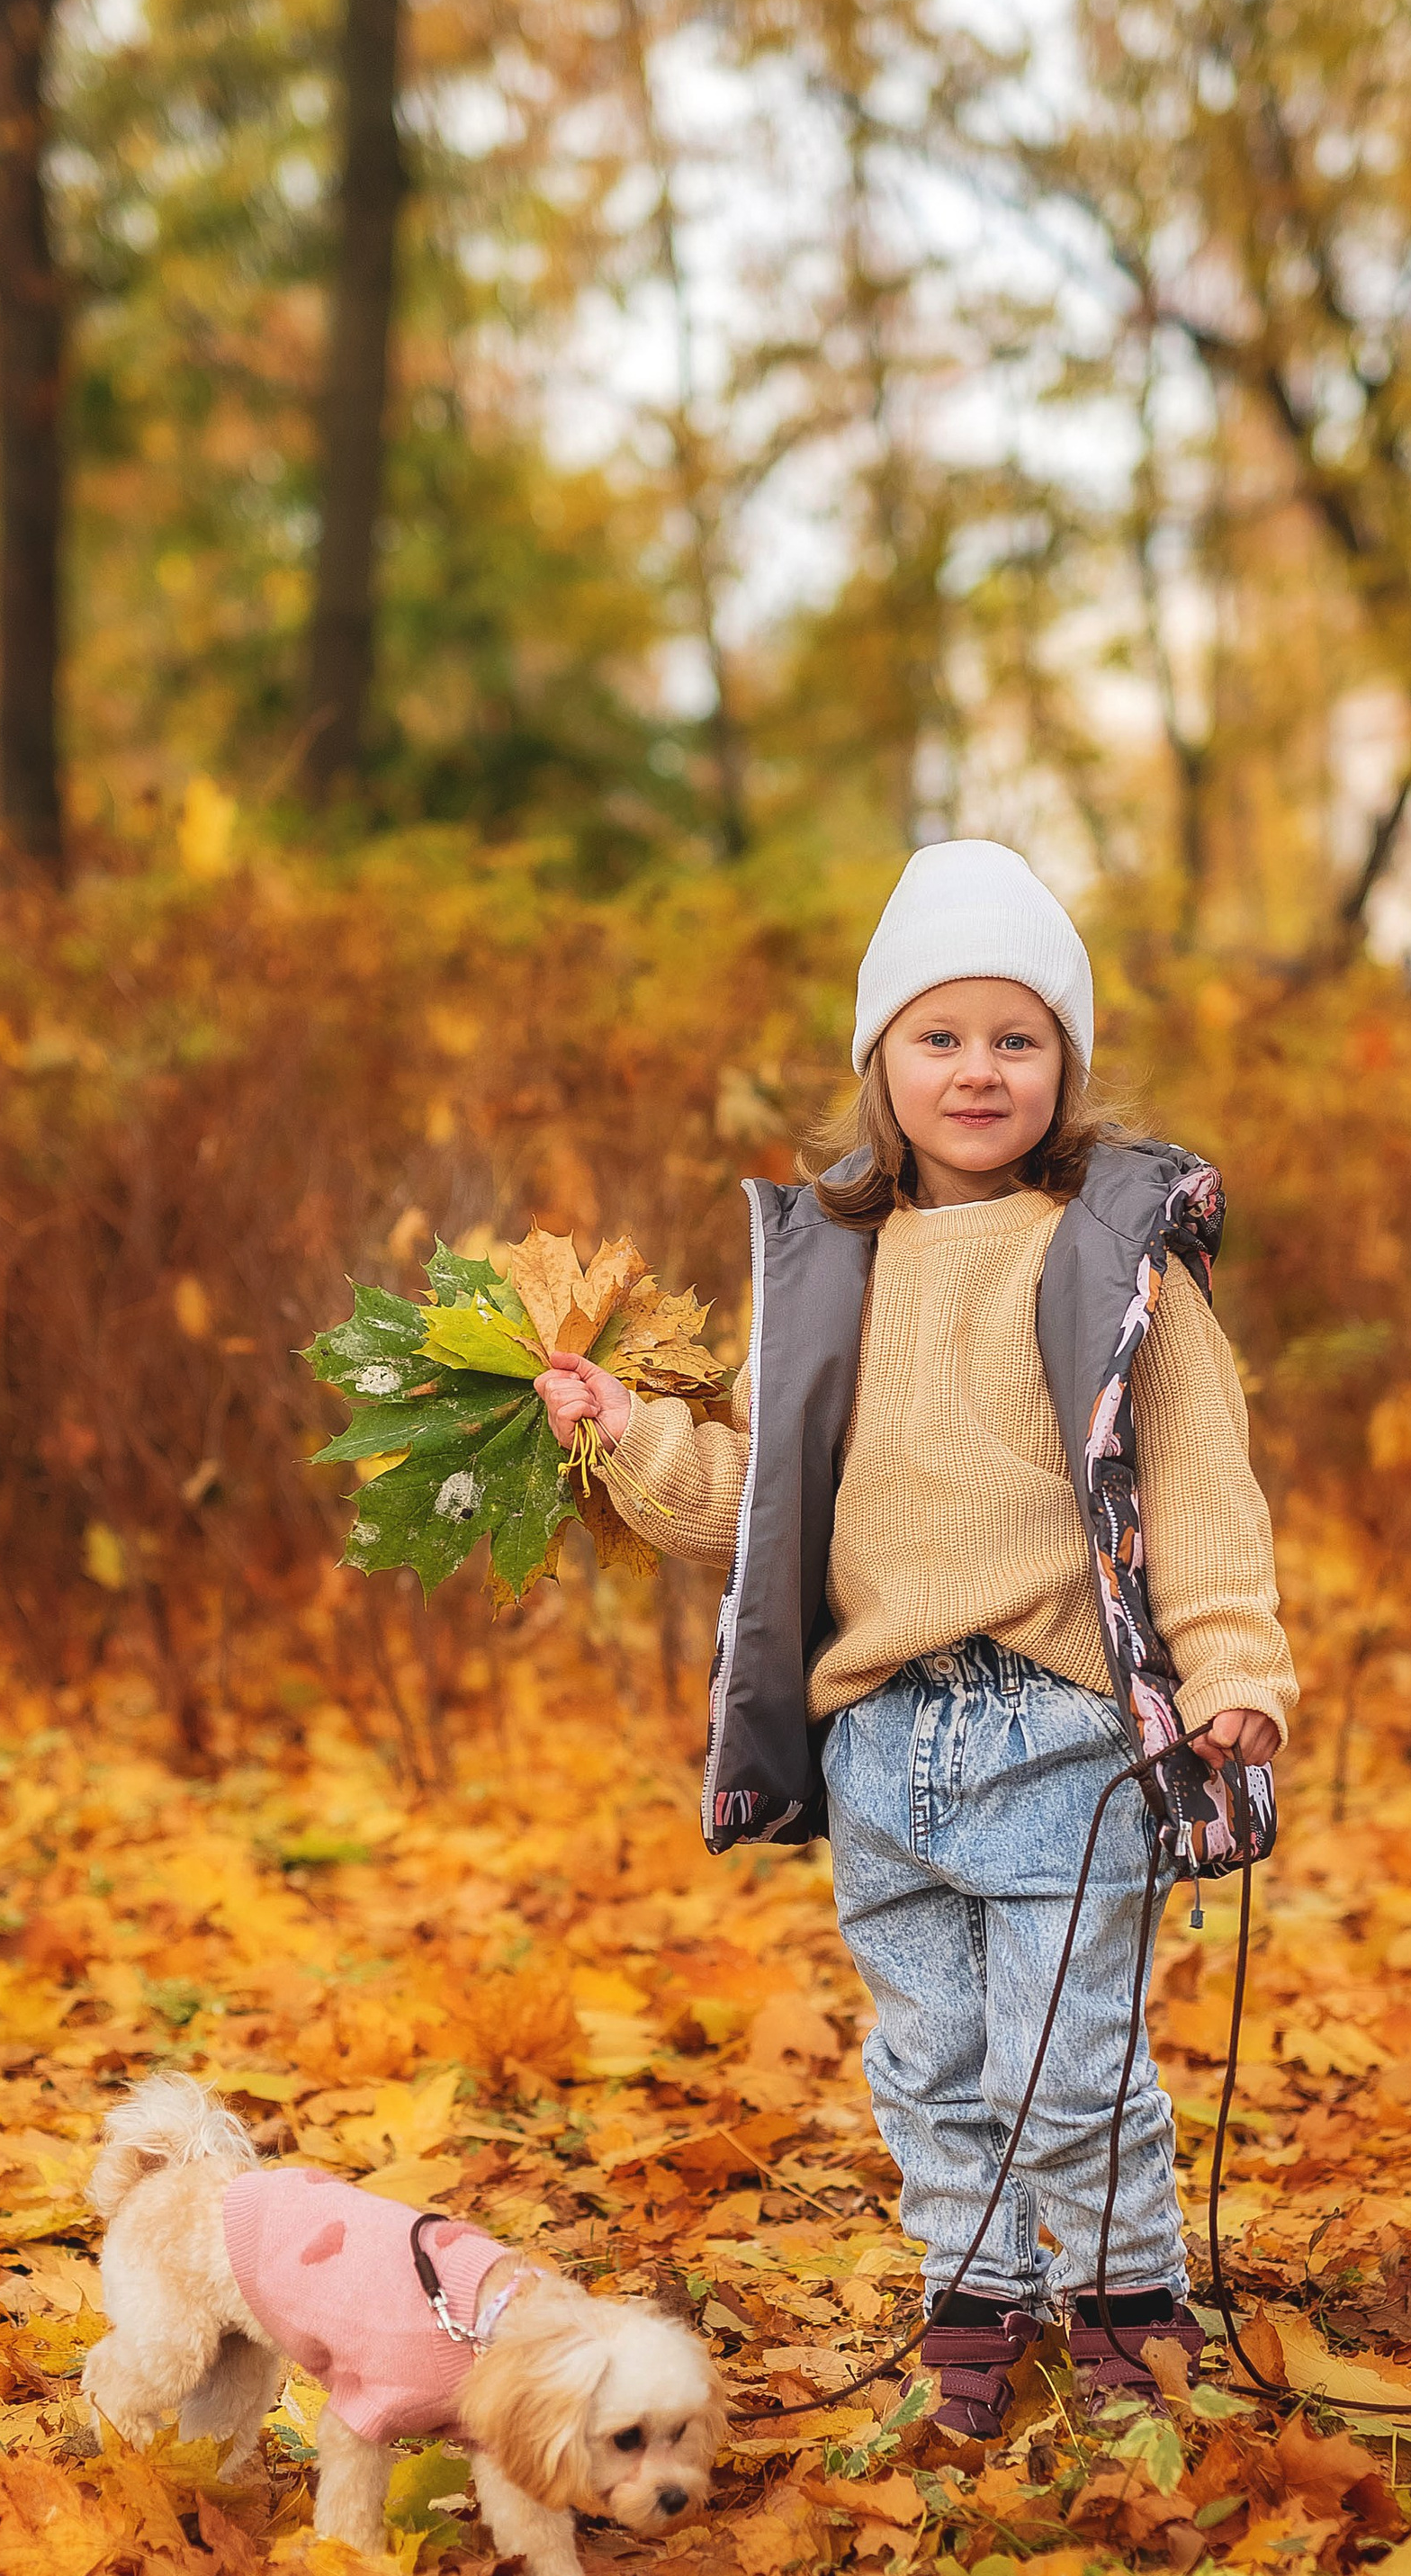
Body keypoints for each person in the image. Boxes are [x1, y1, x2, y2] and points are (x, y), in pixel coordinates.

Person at [535, 842, 1296, 2443]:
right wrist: (622, 1436)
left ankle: (1123, 2308)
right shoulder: (836, 1276)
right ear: (879, 1061)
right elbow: (751, 1507)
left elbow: (1199, 1484)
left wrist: (1236, 1673)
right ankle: (971, 2295)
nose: (977, 1070)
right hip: (880, 1746)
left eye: (1016, 1038)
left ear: (1065, 1065)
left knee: (1069, 2065)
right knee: (932, 2063)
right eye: (939, 1036)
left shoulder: (1107, 1261)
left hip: (1063, 1744)